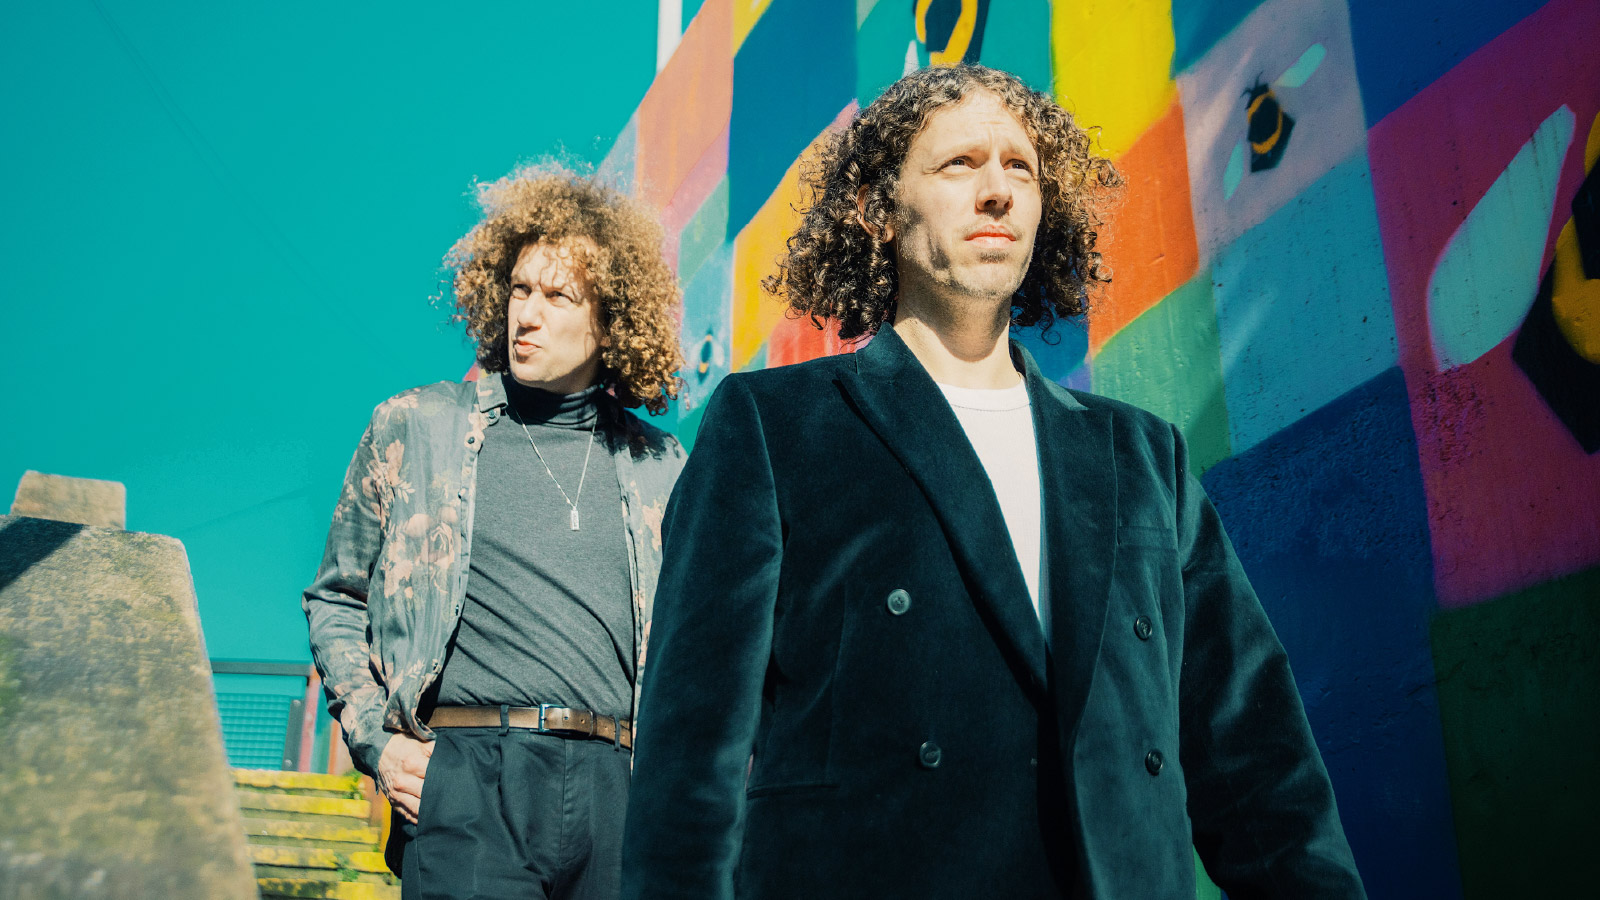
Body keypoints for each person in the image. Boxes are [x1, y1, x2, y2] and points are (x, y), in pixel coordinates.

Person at [621, 65, 1365, 899]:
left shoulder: (1140, 453)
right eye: (959, 164)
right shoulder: (773, 425)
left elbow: (1258, 756)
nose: (998, 191)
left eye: (1021, 169)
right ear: (876, 210)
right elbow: (691, 753)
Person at [305, 166, 686, 900]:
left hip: (621, 788)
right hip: (469, 778)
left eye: (557, 296)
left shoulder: (661, 466)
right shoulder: (418, 427)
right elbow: (337, 598)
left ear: (611, 320)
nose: (527, 315)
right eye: (518, 290)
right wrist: (378, 743)